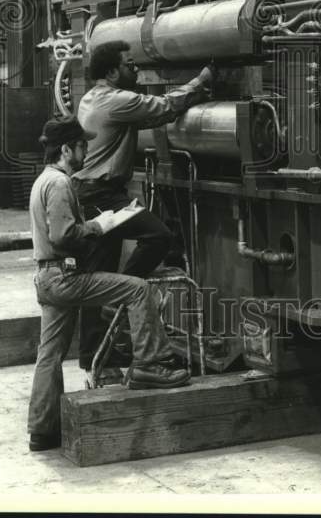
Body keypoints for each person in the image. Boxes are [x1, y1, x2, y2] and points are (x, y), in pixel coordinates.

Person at [27, 115, 190, 452]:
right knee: (137, 288)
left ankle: (42, 432)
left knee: (50, 354)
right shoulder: (59, 183)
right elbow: (63, 236)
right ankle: (149, 365)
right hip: (63, 277)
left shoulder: (43, 180)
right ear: (66, 149)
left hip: (47, 277)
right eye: (82, 145)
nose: (86, 150)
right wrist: (100, 226)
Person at [73, 39, 214, 380]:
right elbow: (165, 107)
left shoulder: (92, 97)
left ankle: (97, 359)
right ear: (111, 72)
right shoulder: (116, 101)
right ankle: (120, 296)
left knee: (96, 273)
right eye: (128, 64)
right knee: (158, 235)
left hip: (91, 193)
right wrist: (202, 80)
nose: (134, 69)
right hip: (103, 196)